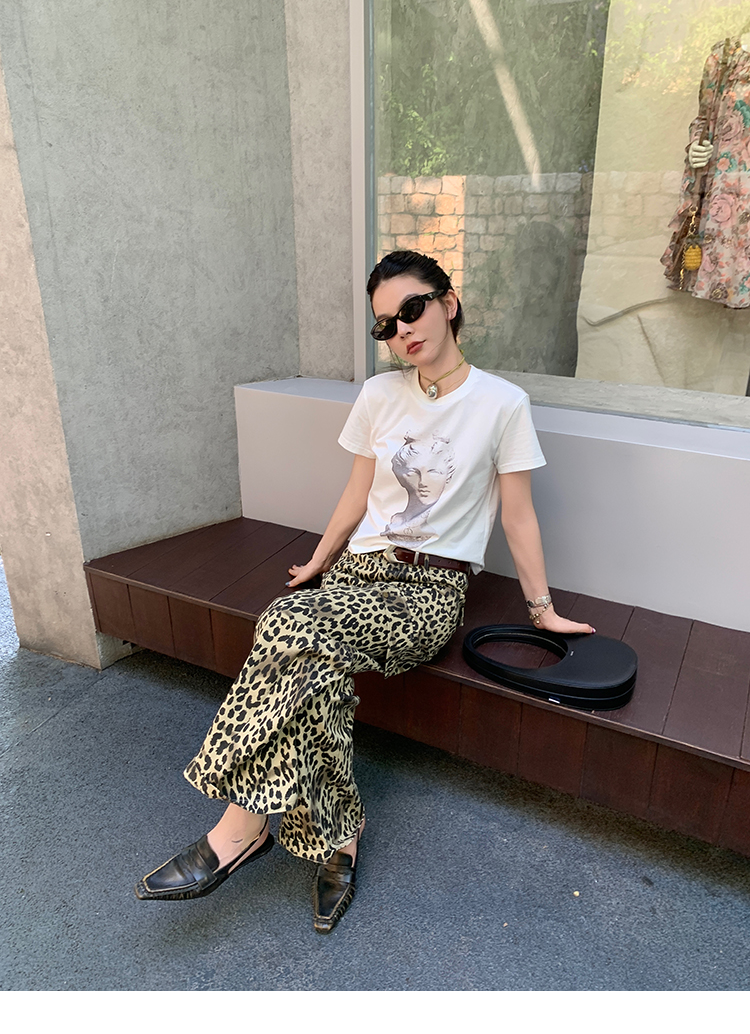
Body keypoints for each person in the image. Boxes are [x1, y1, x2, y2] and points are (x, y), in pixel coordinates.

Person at [135, 250, 593, 933]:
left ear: (448, 303)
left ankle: (237, 830)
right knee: (307, 651)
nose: (401, 330)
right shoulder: (380, 395)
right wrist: (319, 560)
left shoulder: (503, 404)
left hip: (427, 591)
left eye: (412, 309)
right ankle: (340, 837)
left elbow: (519, 516)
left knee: (288, 627)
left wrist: (541, 610)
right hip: (358, 572)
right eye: (385, 324)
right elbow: (357, 494)